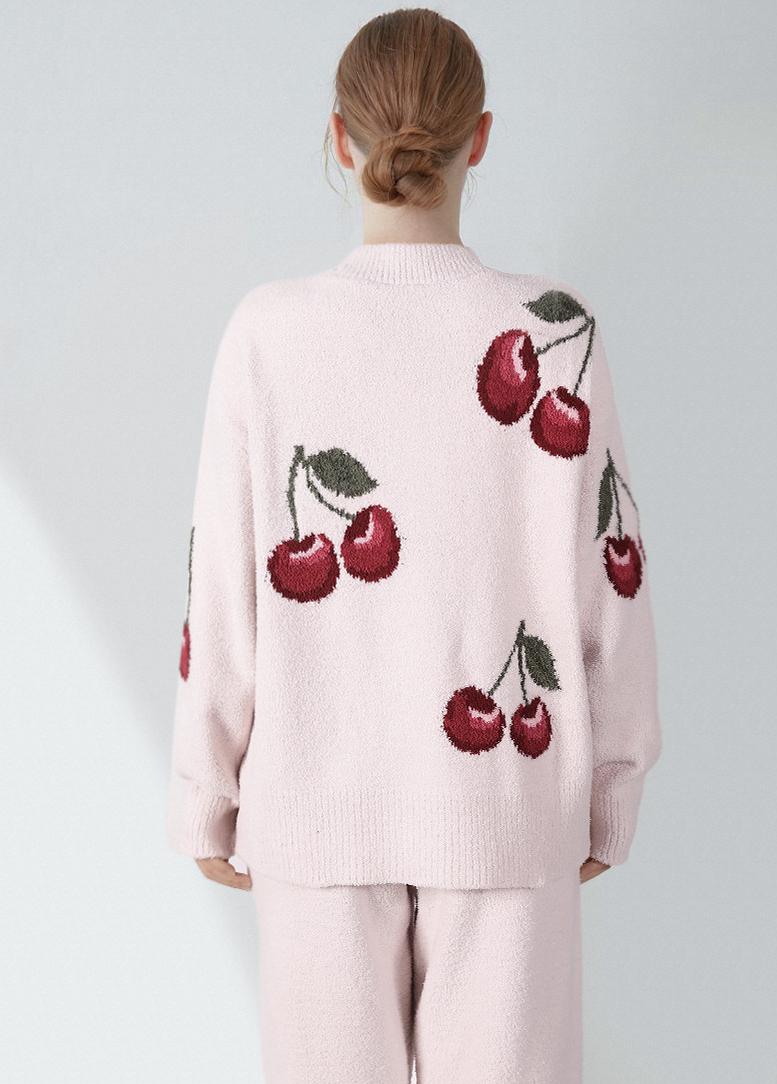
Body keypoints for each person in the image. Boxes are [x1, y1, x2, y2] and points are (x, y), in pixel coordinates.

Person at [167, 8, 662, 1082]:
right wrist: (612, 789)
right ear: (478, 138)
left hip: (315, 810)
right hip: (507, 807)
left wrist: (206, 787)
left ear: (338, 138)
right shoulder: (554, 329)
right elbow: (609, 572)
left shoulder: (267, 333)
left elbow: (222, 588)